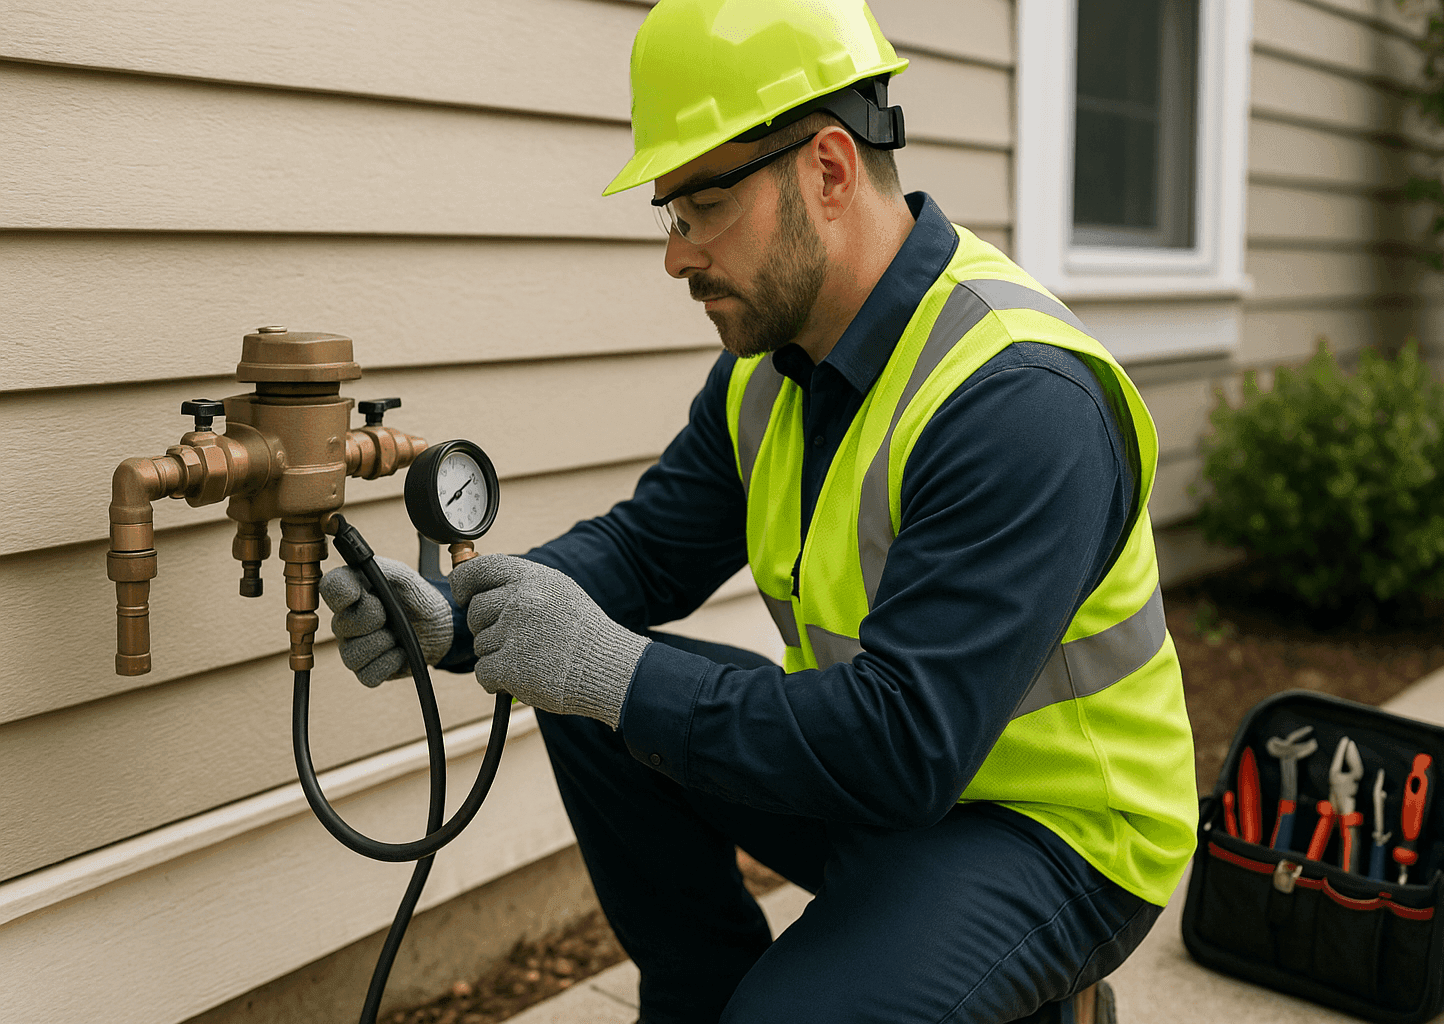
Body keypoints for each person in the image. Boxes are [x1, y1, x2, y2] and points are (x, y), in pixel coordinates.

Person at [319, 2, 1199, 1021]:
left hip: (1054, 829)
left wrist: (611, 667)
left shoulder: (1017, 397)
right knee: (592, 701)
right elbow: (646, 551)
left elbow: (905, 743)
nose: (676, 256)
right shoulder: (774, 371)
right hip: (887, 776)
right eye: (671, 217)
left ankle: (1047, 991)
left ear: (827, 170)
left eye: (701, 209)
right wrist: (457, 612)